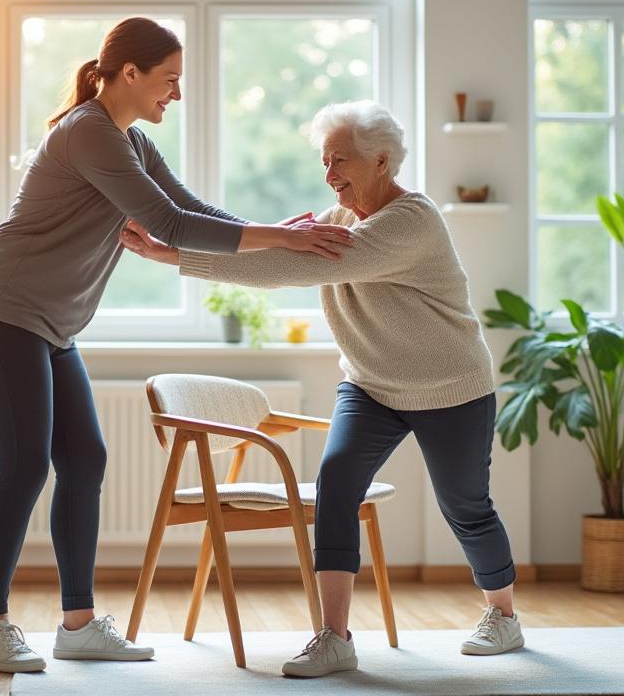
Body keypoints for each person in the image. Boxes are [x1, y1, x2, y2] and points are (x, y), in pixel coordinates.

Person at [0, 16, 353, 674]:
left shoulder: (130, 141)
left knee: (83, 459)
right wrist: (278, 239)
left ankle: (77, 623)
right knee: (25, 467)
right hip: (3, 312)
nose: (177, 92)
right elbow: (168, 223)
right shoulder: (87, 132)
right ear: (129, 74)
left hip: (49, 324)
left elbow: (187, 203)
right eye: (169, 80)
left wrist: (277, 230)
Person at [121, 99, 523, 679]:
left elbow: (294, 268)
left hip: (451, 386)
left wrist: (173, 255)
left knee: (465, 505)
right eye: (324, 160)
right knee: (336, 481)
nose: (328, 173)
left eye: (341, 160)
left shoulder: (412, 222)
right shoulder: (336, 223)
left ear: (381, 161)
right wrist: (190, 247)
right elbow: (274, 252)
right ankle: (334, 636)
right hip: (370, 385)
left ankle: (502, 616)